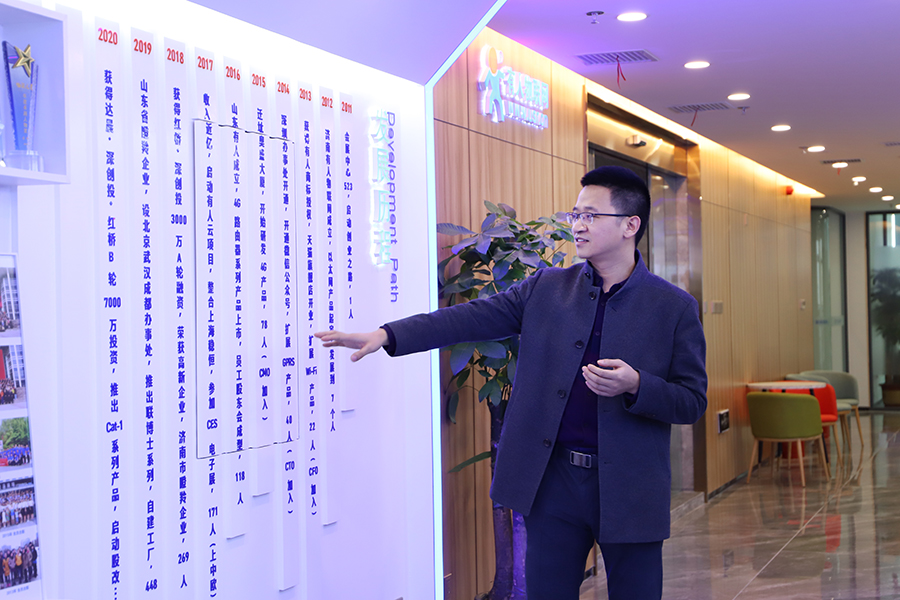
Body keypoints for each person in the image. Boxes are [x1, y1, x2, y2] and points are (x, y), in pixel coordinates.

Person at [316, 166, 707, 600]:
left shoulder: (673, 307)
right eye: (575, 214)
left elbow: (692, 400)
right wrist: (388, 334)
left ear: (630, 225)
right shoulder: (547, 288)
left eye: (590, 215)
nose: (577, 225)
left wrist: (636, 385)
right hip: (554, 481)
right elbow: (468, 318)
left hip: (631, 486)